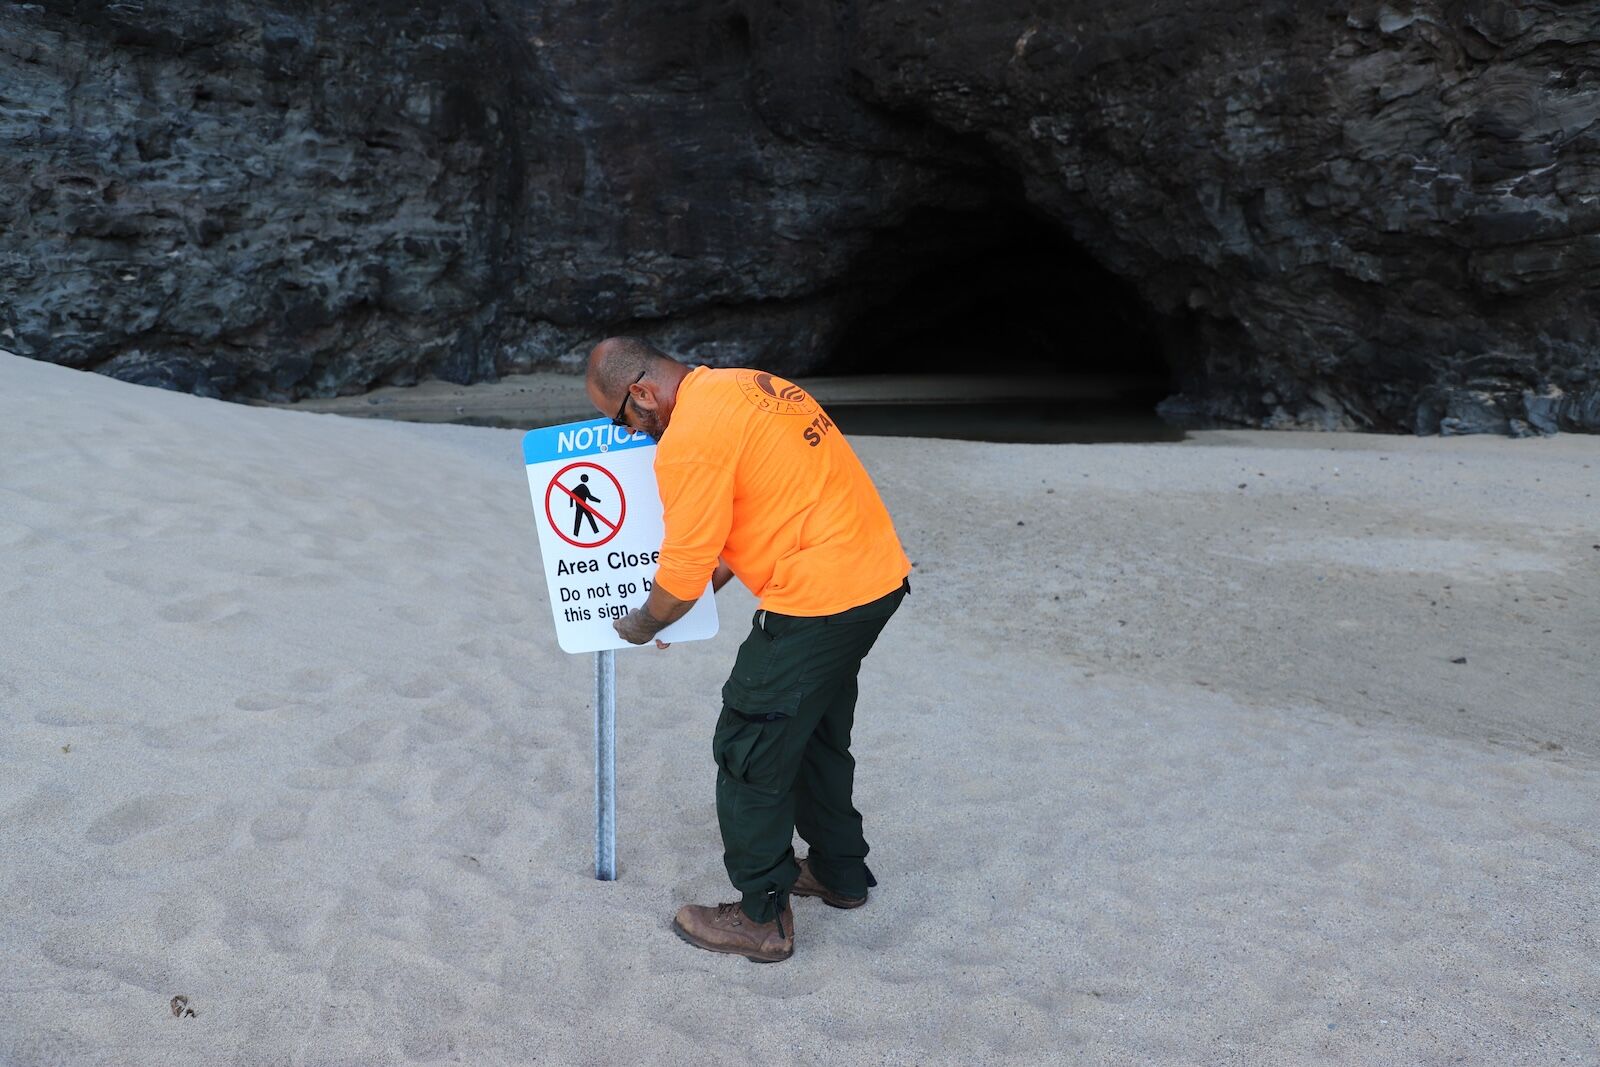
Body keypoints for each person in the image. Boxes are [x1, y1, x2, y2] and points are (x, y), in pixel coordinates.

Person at [585, 336, 911, 963]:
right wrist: (675, 612)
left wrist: (643, 623)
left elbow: (680, 574)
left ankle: (762, 918)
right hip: (875, 579)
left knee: (749, 746)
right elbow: (738, 529)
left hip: (817, 600)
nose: (626, 431)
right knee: (813, 731)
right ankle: (840, 874)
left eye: (621, 417)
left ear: (643, 393)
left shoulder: (688, 442)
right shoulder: (745, 386)